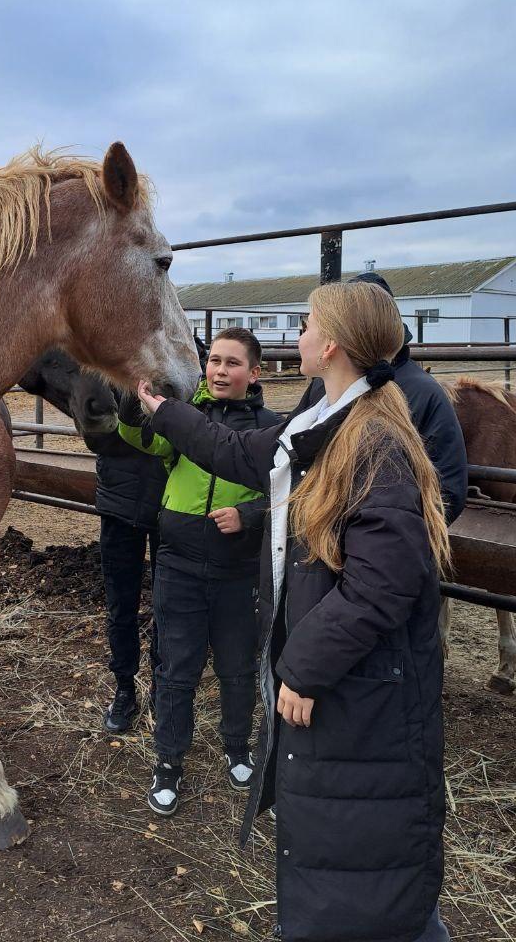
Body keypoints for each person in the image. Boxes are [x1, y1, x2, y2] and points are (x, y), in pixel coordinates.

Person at [135, 282, 457, 942]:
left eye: (307, 324)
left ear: (331, 343)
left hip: (361, 693)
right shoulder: (332, 421)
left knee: (363, 851)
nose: (299, 335)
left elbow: (385, 583)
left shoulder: (373, 444)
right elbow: (239, 452)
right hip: (353, 687)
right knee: (350, 849)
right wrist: (163, 410)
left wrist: (303, 668)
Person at [118, 327, 281, 816]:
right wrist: (135, 397)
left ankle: (237, 748)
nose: (220, 370)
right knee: (177, 668)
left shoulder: (270, 428)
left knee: (237, 666)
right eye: (214, 361)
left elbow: (290, 495)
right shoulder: (187, 419)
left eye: (233, 363)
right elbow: (136, 438)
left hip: (238, 569)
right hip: (180, 564)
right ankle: (168, 762)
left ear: (254, 373)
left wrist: (249, 517)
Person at [290, 271, 467, 523]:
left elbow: (446, 489)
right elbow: (292, 445)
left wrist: (393, 535)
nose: (301, 337)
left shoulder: (423, 393)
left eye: (308, 327)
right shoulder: (323, 386)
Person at [82, 404, 169, 733]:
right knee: (121, 604)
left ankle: (163, 688)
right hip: (120, 502)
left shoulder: (187, 366)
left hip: (170, 504)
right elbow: (93, 430)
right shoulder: (108, 369)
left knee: (168, 603)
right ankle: (125, 687)